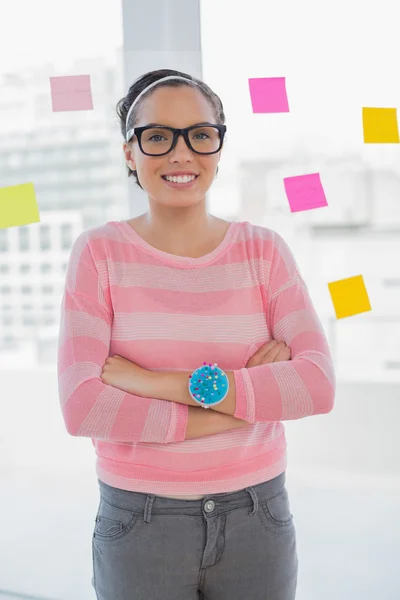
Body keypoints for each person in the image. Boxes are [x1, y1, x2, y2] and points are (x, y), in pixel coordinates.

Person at [57, 68, 336, 600]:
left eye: (199, 135)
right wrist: (250, 396)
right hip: (140, 520)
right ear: (129, 154)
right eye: (157, 136)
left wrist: (153, 382)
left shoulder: (264, 251)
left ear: (218, 146)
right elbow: (83, 407)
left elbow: (317, 385)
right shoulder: (98, 254)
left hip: (260, 515)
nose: (181, 153)